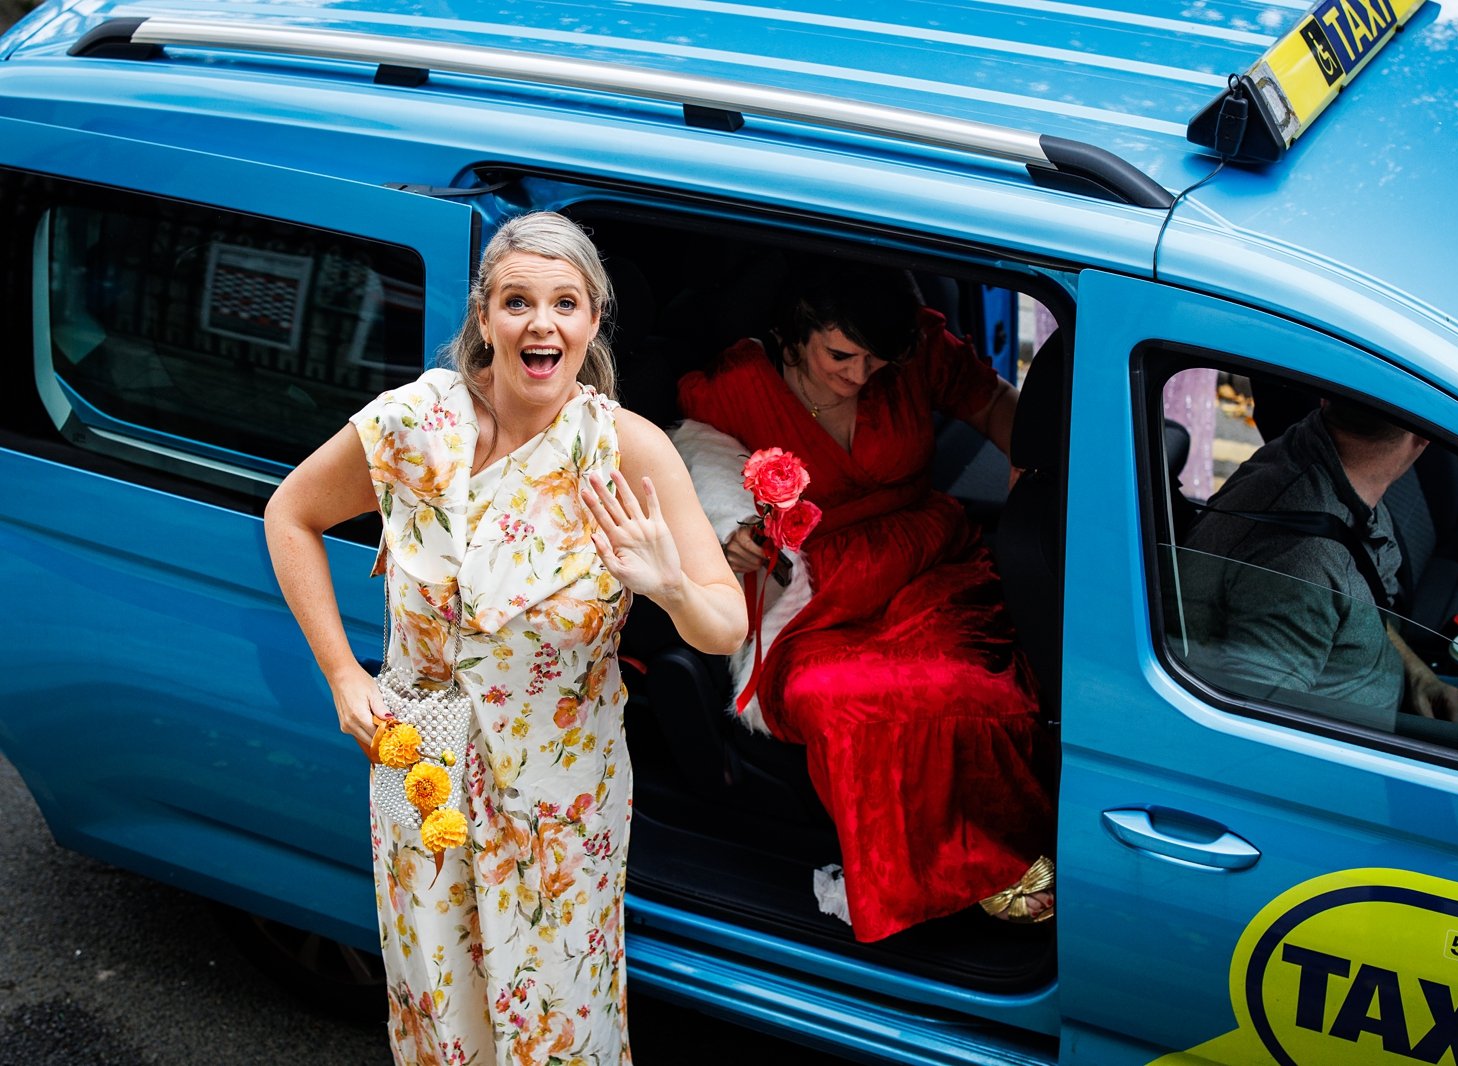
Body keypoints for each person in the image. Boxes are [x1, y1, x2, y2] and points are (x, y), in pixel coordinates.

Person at [264, 212, 745, 1065]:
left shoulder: (627, 453)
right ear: (484, 318)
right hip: (423, 772)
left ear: (593, 321)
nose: (541, 323)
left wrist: (665, 582)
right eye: (518, 301)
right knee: (439, 1005)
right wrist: (343, 675)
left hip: (564, 797)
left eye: (566, 302)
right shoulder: (412, 425)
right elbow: (290, 513)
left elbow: (723, 627)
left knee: (559, 1023)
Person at [674, 258, 1054, 943]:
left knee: (976, 688)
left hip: (927, 561)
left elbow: (996, 405)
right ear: (795, 331)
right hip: (815, 593)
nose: (859, 377)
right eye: (840, 356)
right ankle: (911, 877)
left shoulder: (914, 355)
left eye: (876, 362)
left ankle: (990, 863)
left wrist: (1040, 470)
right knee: (833, 697)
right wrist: (733, 536)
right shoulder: (735, 387)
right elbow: (692, 466)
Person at [1179, 398, 1458, 724]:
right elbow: (1253, 734)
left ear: (1325, 399)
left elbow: (1355, 605)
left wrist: (1417, 673)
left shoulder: (1309, 452)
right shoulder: (1301, 568)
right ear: (1424, 436)